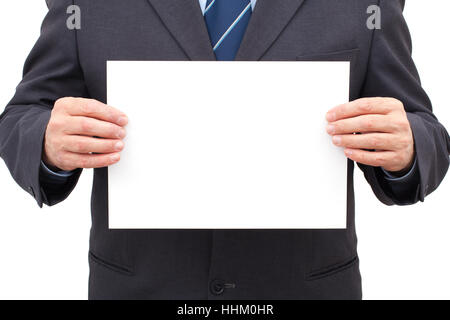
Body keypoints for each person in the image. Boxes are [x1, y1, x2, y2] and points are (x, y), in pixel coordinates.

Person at [0, 0, 449, 300]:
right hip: (141, 287)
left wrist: (407, 149)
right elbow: (23, 114)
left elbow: (424, 130)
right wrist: (45, 142)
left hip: (303, 288)